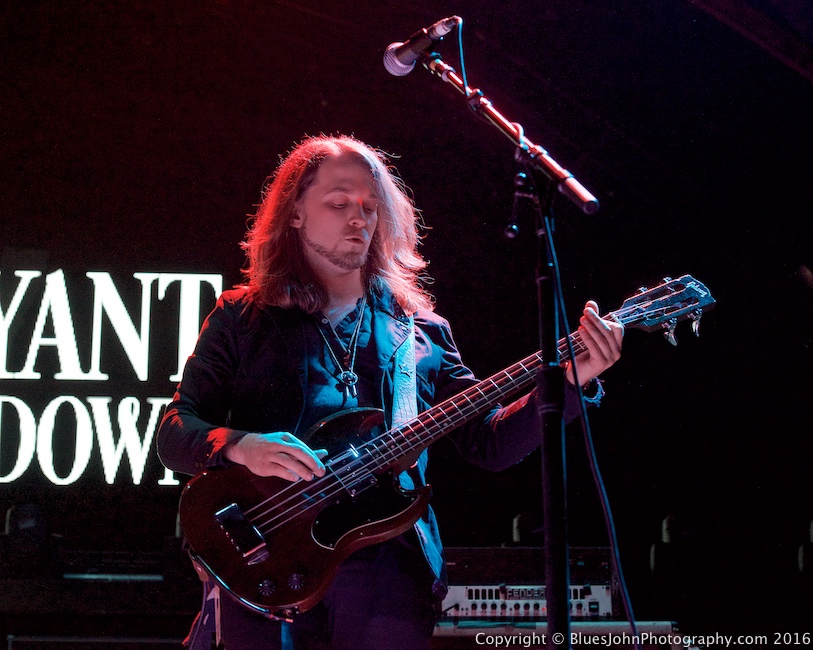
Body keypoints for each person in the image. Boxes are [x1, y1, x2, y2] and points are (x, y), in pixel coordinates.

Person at [157, 134, 623, 650]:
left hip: (387, 566)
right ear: (294, 214)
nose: (358, 218)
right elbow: (177, 431)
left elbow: (488, 444)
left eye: (369, 208)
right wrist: (242, 444)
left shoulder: (419, 331)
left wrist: (572, 384)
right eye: (338, 204)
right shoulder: (242, 317)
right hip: (264, 561)